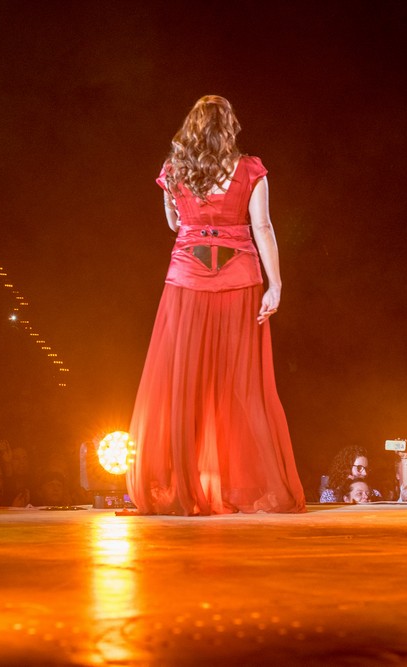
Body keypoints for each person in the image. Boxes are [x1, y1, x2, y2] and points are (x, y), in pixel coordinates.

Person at [125, 95, 306, 516]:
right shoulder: (250, 170)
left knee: (183, 382)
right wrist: (276, 285)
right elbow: (262, 226)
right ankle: (240, 482)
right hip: (239, 280)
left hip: (186, 281)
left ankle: (186, 485)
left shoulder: (173, 170)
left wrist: (189, 209)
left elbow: (174, 224)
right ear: (229, 127)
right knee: (241, 383)